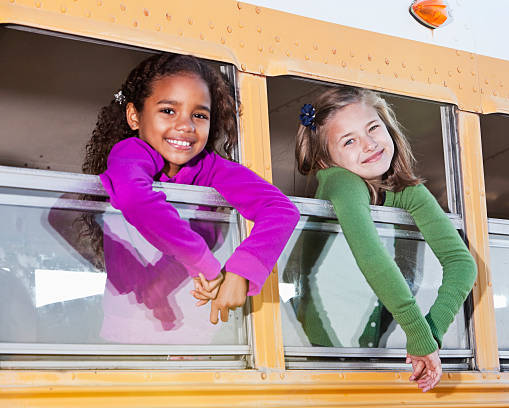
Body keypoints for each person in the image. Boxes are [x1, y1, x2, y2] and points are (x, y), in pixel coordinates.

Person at [81, 52, 299, 328]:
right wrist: (204, 263)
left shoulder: (211, 167)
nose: (186, 126)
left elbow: (280, 209)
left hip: (200, 331)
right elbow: (135, 198)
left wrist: (240, 272)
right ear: (134, 116)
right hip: (128, 329)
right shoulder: (129, 154)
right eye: (168, 110)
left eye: (199, 114)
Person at [295, 86, 477, 392]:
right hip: (320, 332)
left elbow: (462, 264)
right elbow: (372, 262)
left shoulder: (406, 190)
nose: (368, 145)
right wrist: (418, 336)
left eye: (373, 128)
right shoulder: (340, 181)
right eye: (349, 140)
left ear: (388, 126)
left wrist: (429, 334)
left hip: (355, 340)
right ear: (326, 160)